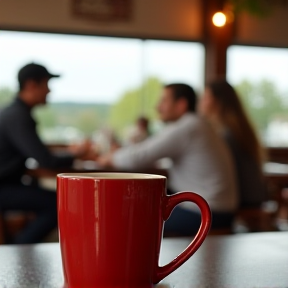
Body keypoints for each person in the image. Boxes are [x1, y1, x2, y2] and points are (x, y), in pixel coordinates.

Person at [97, 83, 238, 236]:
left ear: (181, 105)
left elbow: (139, 156)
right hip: (219, 210)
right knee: (138, 210)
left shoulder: (187, 126)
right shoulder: (198, 124)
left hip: (207, 213)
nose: (158, 107)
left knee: (128, 218)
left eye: (164, 101)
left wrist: (107, 158)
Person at [0, 63, 92, 244]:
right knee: (59, 204)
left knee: (52, 199)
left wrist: (69, 152)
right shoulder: (18, 116)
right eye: (46, 84)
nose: (49, 91)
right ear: (31, 85)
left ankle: (22, 248)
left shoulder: (15, 113)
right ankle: (18, 249)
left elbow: (38, 151)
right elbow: (45, 159)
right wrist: (77, 155)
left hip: (9, 184)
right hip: (4, 188)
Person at [198, 79, 267, 208]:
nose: (200, 102)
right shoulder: (239, 128)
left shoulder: (226, 134)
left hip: (242, 198)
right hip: (255, 195)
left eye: (205, 97)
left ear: (217, 102)